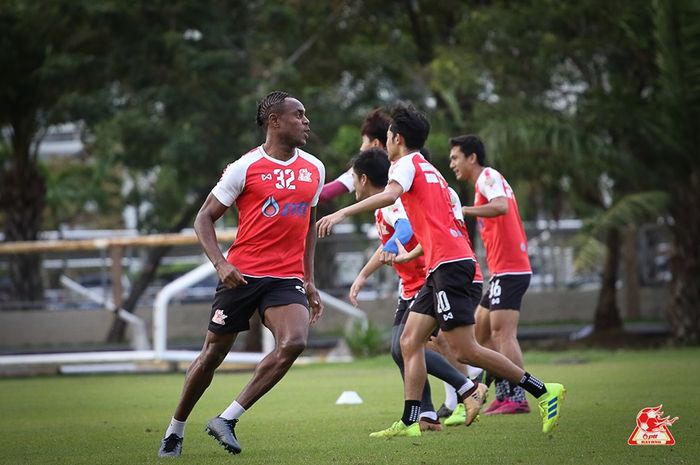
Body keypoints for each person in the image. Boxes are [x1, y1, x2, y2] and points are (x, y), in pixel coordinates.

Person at [317, 102, 565, 437]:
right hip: (442, 268)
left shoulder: (405, 164)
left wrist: (342, 213)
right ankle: (412, 420)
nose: (384, 143)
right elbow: (440, 223)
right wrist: (411, 256)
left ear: (397, 138)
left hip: (451, 267)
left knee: (466, 349)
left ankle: (542, 390)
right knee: (408, 341)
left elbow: (391, 196)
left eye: (387, 136)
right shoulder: (430, 171)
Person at [158, 91, 325, 457]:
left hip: (285, 278)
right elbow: (203, 218)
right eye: (299, 114)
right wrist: (221, 264)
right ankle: (175, 430)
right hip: (242, 275)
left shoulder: (314, 168)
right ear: (274, 121)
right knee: (212, 356)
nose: (306, 121)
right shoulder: (244, 167)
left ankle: (228, 419)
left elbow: (309, 226)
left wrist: (308, 279)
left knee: (294, 342)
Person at [348, 147, 486, 431]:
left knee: (424, 346)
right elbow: (398, 238)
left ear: (363, 179)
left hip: (429, 280)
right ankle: (428, 415)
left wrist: (389, 248)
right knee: (404, 348)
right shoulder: (385, 205)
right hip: (411, 285)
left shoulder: (391, 199)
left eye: (352, 179)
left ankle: (467, 388)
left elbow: (406, 229)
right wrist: (363, 274)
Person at [448, 134, 532, 415]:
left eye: (455, 157)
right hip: (501, 271)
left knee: (502, 333)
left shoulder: (487, 176)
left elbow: (501, 206)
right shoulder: (481, 184)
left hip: (511, 269)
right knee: (481, 332)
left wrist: (462, 210)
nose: (452, 164)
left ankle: (518, 397)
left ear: (472, 157)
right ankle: (503, 393)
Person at [319, 109, 391, 202]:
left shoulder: (366, 166)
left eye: (364, 141)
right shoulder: (404, 163)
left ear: (375, 144)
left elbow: (324, 193)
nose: (361, 148)